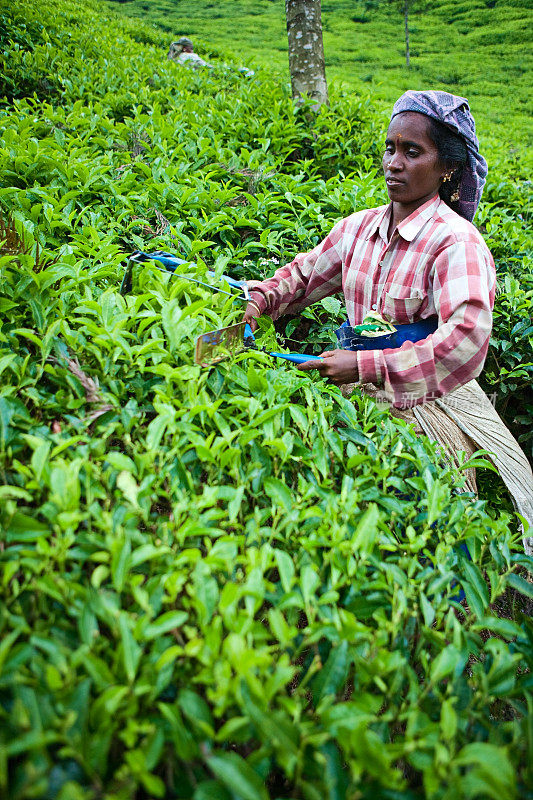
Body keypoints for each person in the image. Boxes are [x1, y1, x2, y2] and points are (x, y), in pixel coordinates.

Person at [242, 90, 533, 552]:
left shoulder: (456, 243)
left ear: (447, 167)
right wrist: (260, 300)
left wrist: (368, 367)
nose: (393, 162)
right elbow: (303, 275)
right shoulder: (358, 229)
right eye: (390, 148)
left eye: (412, 151)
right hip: (356, 403)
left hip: (425, 408)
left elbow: (465, 340)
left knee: (424, 540)